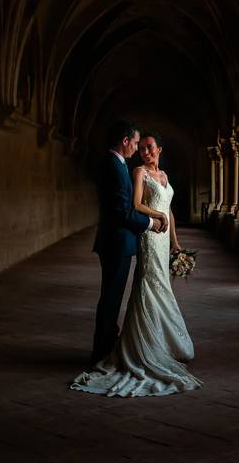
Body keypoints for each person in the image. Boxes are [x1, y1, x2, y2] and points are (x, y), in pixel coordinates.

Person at [72, 131, 202, 397]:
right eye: (141, 147)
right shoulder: (139, 172)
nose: (145, 152)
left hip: (164, 236)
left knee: (162, 284)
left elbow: (171, 211)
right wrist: (157, 216)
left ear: (160, 149)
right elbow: (136, 205)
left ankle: (163, 341)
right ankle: (144, 344)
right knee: (148, 284)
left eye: (150, 147)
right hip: (151, 236)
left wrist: (176, 243)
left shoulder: (164, 176)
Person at [86, 121, 165, 368]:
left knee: (112, 296)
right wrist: (150, 224)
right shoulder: (114, 165)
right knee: (111, 297)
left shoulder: (116, 164)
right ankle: (102, 352)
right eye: (135, 143)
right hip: (116, 244)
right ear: (125, 140)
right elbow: (122, 212)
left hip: (115, 242)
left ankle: (105, 345)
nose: (137, 149)